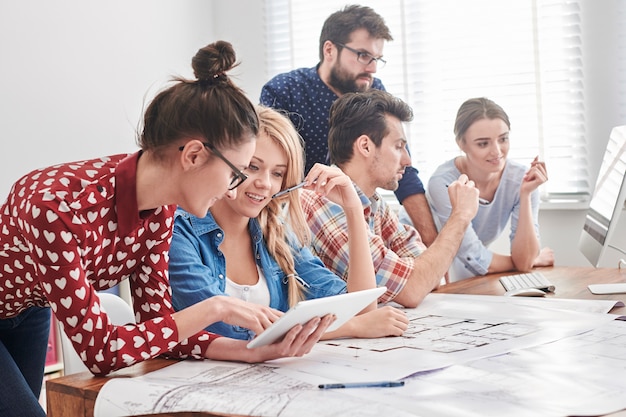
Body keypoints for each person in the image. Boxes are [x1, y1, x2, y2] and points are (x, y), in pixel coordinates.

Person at [0, 41, 333, 417]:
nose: (233, 187)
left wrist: (250, 352)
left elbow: (161, 331)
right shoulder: (57, 207)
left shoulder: (161, 211)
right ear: (192, 155)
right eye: (236, 172)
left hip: (28, 308)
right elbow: (103, 354)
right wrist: (216, 307)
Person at [168, 106, 408, 341]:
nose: (265, 183)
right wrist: (349, 327)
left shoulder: (276, 235)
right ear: (231, 164)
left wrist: (353, 209)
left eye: (277, 173)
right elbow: (223, 330)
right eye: (253, 167)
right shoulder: (178, 231)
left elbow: (361, 309)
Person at [259, 4, 439, 247]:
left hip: (358, 216)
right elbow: (268, 174)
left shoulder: (375, 93)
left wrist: (432, 244)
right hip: (295, 227)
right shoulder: (285, 91)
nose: (372, 68)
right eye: (364, 55)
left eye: (377, 59)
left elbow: (403, 173)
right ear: (330, 49)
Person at [300, 89, 480, 308]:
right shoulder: (322, 201)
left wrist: (417, 275)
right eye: (398, 146)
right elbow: (413, 289)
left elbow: (431, 277)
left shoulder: (374, 203)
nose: (407, 160)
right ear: (365, 146)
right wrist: (460, 216)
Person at [427, 97, 554, 281]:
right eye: (483, 144)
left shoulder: (522, 179)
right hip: (427, 262)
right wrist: (528, 260)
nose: (497, 152)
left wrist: (525, 194)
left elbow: (524, 262)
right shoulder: (444, 182)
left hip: (469, 272)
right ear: (461, 144)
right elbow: (471, 254)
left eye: (503, 139)